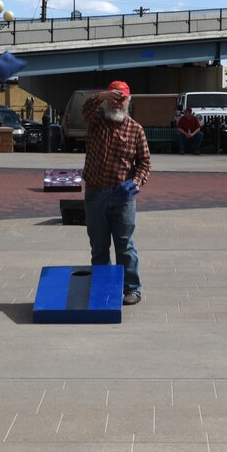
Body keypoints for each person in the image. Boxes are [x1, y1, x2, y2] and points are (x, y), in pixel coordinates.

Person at [81, 80, 151, 306]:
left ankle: (132, 289)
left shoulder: (135, 129)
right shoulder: (95, 122)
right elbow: (86, 108)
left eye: (122, 99)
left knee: (125, 245)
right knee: (99, 246)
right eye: (114, 99)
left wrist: (136, 182)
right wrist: (102, 95)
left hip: (122, 197)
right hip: (95, 194)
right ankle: (102, 288)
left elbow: (144, 163)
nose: (117, 104)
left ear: (128, 102)